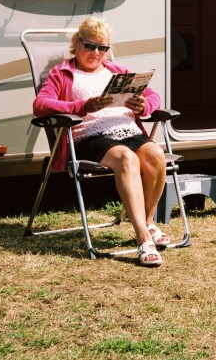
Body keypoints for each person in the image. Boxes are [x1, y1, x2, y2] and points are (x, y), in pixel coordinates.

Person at [33, 17, 169, 266]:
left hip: (127, 130)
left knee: (156, 155)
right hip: (89, 135)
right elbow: (41, 105)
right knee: (127, 159)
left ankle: (148, 222)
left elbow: (153, 97)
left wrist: (143, 105)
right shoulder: (63, 73)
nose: (96, 53)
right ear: (77, 43)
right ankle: (142, 240)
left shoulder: (117, 71)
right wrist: (82, 105)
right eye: (90, 46)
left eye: (103, 48)